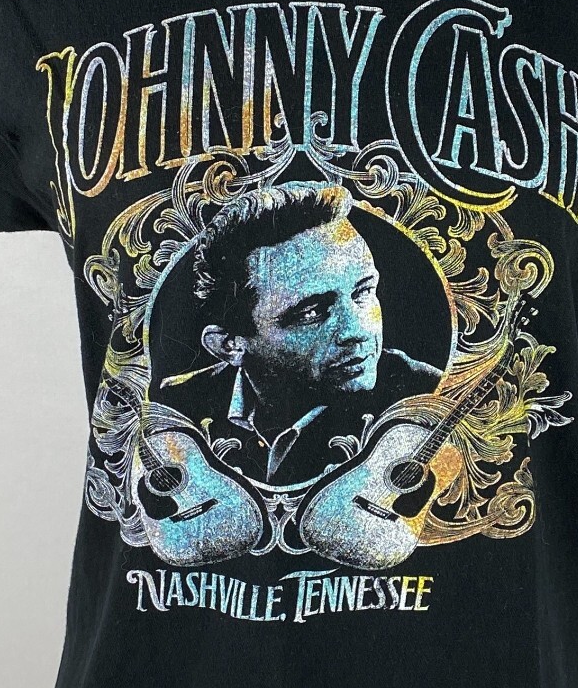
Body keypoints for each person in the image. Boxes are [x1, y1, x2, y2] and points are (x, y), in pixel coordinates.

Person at [156, 181, 443, 487]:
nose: (356, 330)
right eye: (310, 313)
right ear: (230, 346)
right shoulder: (175, 407)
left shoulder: (430, 402)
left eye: (362, 292)